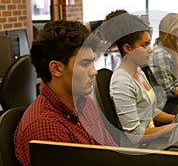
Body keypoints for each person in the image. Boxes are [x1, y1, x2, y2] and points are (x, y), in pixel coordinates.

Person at [14, 20, 117, 166]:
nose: (94, 71)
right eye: (85, 64)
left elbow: (112, 152)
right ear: (56, 69)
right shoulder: (45, 127)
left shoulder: (84, 103)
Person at [101, 10, 178, 148]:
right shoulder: (121, 83)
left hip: (151, 139)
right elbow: (136, 136)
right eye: (144, 45)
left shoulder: (137, 71)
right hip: (141, 150)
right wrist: (177, 126)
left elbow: (151, 112)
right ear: (128, 48)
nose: (150, 49)